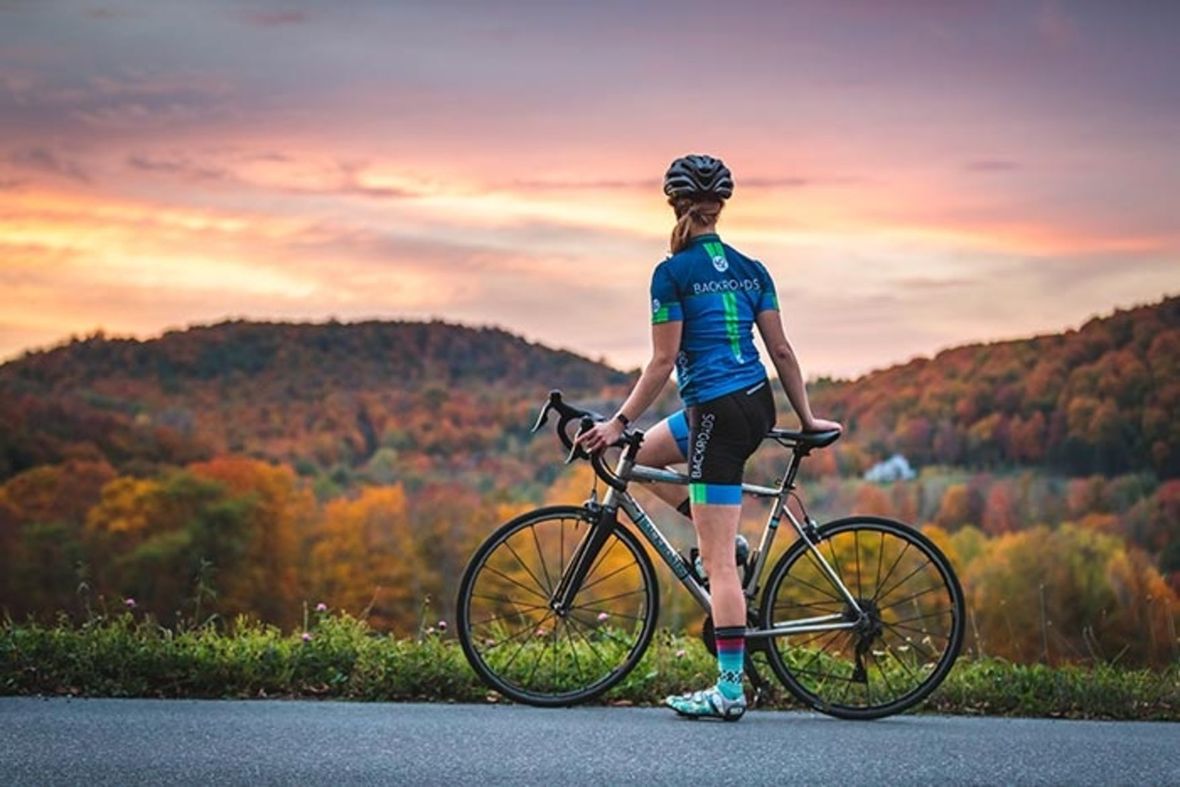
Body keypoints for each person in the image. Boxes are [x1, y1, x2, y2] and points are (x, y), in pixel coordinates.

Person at [575, 154, 841, 721]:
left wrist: (616, 422)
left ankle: (728, 689)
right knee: (640, 458)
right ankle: (727, 545)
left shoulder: (670, 273)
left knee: (717, 564)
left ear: (674, 205)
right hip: (750, 404)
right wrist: (808, 415)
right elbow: (784, 352)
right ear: (720, 208)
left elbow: (663, 360)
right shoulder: (753, 268)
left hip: (716, 417)